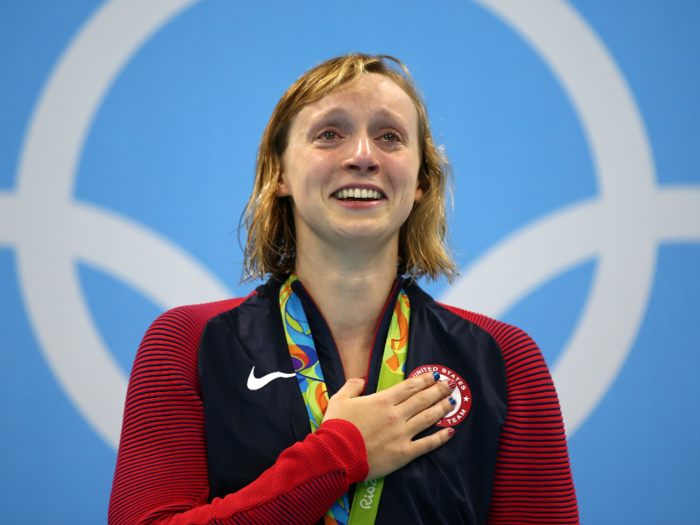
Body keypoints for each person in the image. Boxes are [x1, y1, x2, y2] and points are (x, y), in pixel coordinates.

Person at [108, 54, 579, 525]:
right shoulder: (188, 341)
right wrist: (340, 453)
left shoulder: (506, 359)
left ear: (421, 180)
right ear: (280, 174)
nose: (362, 156)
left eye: (389, 137)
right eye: (329, 134)